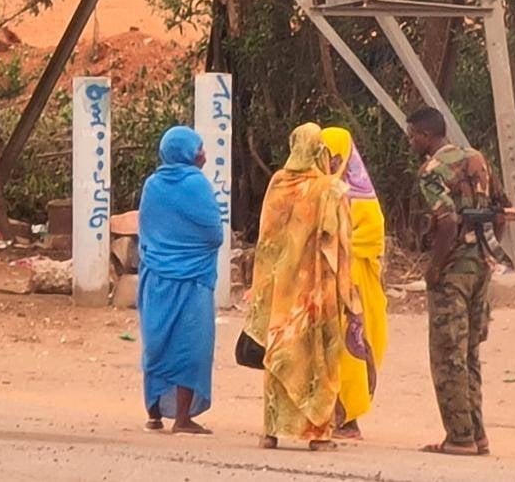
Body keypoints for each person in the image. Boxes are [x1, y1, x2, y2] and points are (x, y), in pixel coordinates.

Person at [244, 123, 359, 451]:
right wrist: (348, 294)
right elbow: (339, 244)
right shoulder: (329, 190)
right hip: (317, 292)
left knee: (280, 354)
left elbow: (266, 240)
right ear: (319, 150)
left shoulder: (277, 184)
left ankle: (271, 432)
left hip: (281, 290)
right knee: (318, 358)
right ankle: (318, 434)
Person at [406, 106, 499, 457]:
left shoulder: (432, 170)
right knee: (470, 352)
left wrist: (435, 267)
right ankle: (477, 433)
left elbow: (446, 222)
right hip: (481, 266)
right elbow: (500, 213)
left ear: (426, 135)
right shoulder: (477, 159)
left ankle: (459, 437)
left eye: (413, 136)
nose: (412, 143)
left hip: (454, 271)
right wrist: (489, 251)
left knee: (448, 354)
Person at [137, 126, 223, 435]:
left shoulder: (152, 185)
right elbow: (214, 234)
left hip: (155, 277)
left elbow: (146, 227)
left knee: (156, 343)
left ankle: (154, 414)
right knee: (191, 347)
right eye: (199, 149)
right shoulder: (197, 184)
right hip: (192, 279)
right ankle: (182, 419)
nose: (203, 155)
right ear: (187, 153)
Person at [321, 127, 388, 441]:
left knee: (351, 348)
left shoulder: (361, 196)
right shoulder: (322, 188)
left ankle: (348, 419)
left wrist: (336, 247)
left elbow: (372, 237)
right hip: (328, 280)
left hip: (355, 283)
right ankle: (330, 413)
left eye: (333, 154)